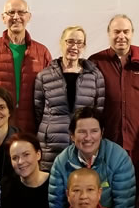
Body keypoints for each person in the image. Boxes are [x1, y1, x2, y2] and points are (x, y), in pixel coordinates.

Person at [89, 14, 139, 186]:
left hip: (136, 138)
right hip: (107, 137)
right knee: (107, 184)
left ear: (132, 33)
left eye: (126, 31)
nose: (121, 36)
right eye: (117, 31)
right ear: (109, 34)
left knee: (135, 184)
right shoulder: (96, 62)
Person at [48, 107, 136, 208]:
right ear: (72, 135)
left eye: (94, 131)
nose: (88, 138)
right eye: (82, 132)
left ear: (102, 133)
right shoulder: (61, 163)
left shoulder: (119, 159)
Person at [34, 25, 105, 170]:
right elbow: (38, 111)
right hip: (51, 146)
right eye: (70, 42)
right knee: (53, 188)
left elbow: (98, 111)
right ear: (61, 43)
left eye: (79, 43)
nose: (74, 47)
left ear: (84, 46)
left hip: (84, 144)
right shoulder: (44, 75)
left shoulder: (95, 75)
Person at [0, 0, 52, 135]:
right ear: (3, 18)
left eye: (21, 12)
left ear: (29, 17)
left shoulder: (41, 52)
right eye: (11, 13)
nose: (16, 17)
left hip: (30, 129)